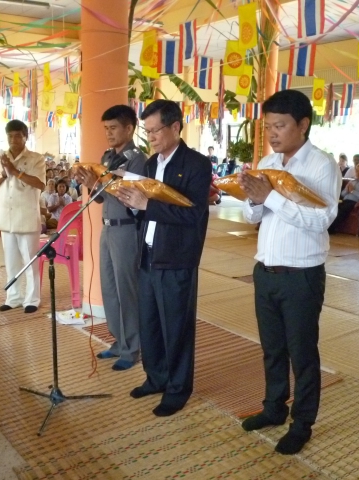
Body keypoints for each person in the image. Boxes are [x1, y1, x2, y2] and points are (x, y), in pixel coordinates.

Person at [237, 89, 341, 455]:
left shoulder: (322, 165)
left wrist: (270, 197)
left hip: (301, 275)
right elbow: (252, 215)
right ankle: (273, 408)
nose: (272, 133)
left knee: (302, 353)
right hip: (265, 271)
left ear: (303, 125)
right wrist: (254, 197)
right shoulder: (268, 161)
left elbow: (321, 219)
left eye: (280, 126)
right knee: (272, 349)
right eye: (268, 126)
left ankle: (302, 423)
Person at [113, 99, 211, 417]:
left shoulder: (196, 164)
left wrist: (147, 205)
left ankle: (178, 389)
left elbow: (193, 215)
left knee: (177, 327)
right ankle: (155, 378)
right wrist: (132, 204)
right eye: (148, 131)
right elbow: (146, 212)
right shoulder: (152, 164)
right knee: (150, 322)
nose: (151, 137)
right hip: (148, 254)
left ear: (175, 127)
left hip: (177, 258)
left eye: (156, 130)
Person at [74, 105, 147, 371]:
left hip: (126, 228)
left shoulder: (137, 159)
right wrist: (89, 183)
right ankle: (119, 341)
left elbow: (127, 194)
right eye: (106, 128)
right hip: (107, 228)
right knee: (109, 288)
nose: (108, 133)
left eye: (113, 128)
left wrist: (101, 181)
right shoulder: (107, 157)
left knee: (127, 290)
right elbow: (101, 197)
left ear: (129, 128)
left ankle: (132, 347)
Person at [0, 120, 46, 314]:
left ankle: (32, 299)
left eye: (18, 135)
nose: (13, 139)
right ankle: (13, 298)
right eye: (10, 136)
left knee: (29, 261)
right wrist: (3, 174)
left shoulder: (36, 159)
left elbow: (40, 184)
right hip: (6, 217)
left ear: (25, 137)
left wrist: (15, 172)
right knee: (11, 262)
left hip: (26, 216)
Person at [329, 163, 359, 233]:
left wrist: (352, 191)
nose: (358, 173)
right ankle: (325, 226)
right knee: (332, 207)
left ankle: (331, 229)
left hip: (354, 202)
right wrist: (347, 190)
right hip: (344, 200)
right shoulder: (352, 181)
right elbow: (342, 194)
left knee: (342, 210)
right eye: (357, 171)